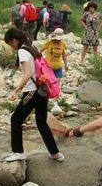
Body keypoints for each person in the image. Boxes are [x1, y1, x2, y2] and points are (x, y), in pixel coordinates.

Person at [4, 28, 64, 162]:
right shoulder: (31, 46)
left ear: (14, 40)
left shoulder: (22, 50)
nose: (11, 47)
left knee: (16, 119)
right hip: (42, 89)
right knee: (41, 122)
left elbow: (27, 73)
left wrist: (15, 90)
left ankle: (18, 152)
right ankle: (55, 153)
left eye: (10, 43)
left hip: (32, 91)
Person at [40, 28, 68, 114]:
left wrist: (66, 64)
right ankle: (45, 102)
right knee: (47, 85)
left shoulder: (63, 44)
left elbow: (63, 55)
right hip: (48, 68)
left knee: (56, 85)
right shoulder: (49, 43)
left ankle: (55, 103)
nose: (58, 40)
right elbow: (39, 51)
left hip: (58, 67)